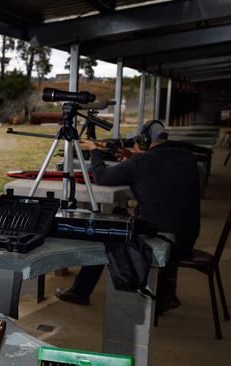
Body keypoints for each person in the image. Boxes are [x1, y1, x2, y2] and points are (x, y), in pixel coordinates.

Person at [56, 120, 200, 313]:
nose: (133, 145)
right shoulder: (186, 157)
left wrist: (94, 150)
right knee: (121, 214)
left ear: (144, 141)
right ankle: (167, 294)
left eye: (136, 142)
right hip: (187, 238)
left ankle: (80, 291)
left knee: (108, 227)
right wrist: (132, 157)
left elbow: (102, 177)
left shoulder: (140, 163)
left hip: (162, 235)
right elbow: (160, 169)